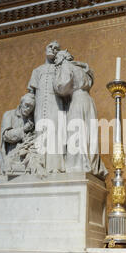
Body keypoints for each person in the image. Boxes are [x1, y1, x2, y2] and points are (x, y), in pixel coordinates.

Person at [53, 50, 108, 179]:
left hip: (77, 100)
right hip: (88, 101)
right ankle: (92, 164)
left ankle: (78, 164)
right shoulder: (82, 69)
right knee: (89, 135)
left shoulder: (66, 65)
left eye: (57, 58)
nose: (56, 61)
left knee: (76, 132)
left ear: (63, 57)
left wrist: (56, 83)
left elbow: (62, 86)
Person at [27, 41, 67, 173]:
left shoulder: (60, 67)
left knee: (55, 133)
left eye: (56, 48)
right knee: (40, 133)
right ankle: (38, 166)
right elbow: (30, 93)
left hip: (56, 104)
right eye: (51, 46)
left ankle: (55, 166)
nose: (53, 49)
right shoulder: (37, 70)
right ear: (45, 49)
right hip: (40, 106)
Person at [0, 93, 38, 176]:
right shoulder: (9, 115)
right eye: (26, 105)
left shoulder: (32, 120)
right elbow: (6, 136)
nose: (28, 109)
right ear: (21, 103)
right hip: (11, 154)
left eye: (31, 107)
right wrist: (23, 129)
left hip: (25, 155)